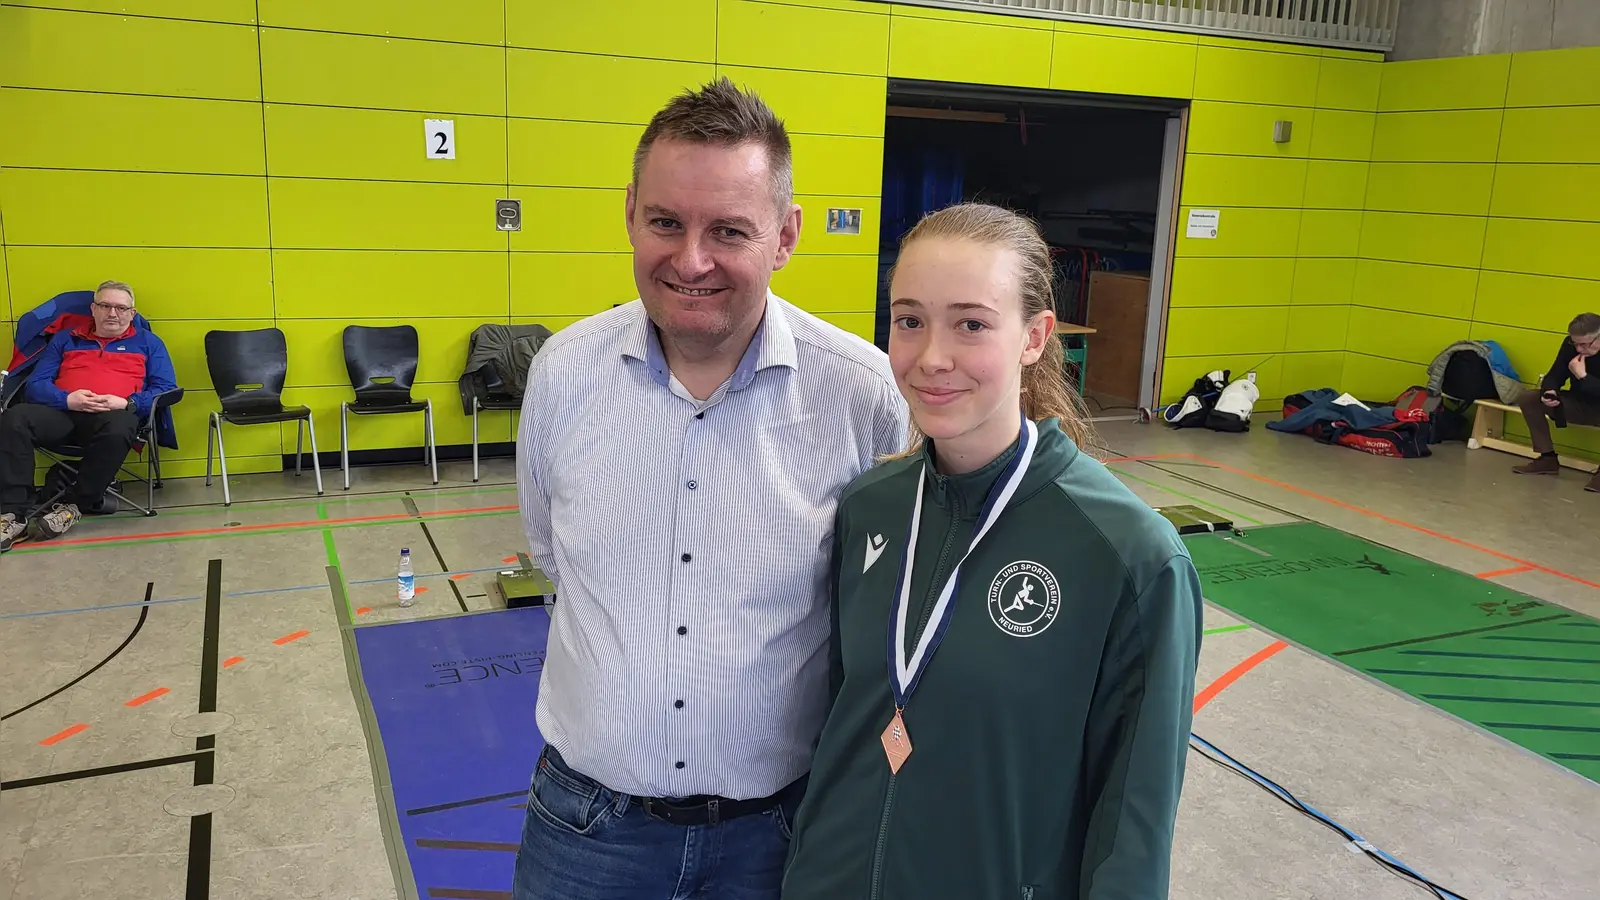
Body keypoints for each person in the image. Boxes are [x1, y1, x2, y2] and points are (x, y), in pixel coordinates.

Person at [511, 78, 908, 900]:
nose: (691, 260)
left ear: (786, 235)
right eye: (666, 222)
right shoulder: (561, 377)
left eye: (729, 230)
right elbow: (552, 551)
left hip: (783, 833)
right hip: (587, 830)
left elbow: (886, 605)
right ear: (630, 213)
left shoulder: (865, 393)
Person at [780, 203, 1203, 900]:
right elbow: (838, 723)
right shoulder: (869, 508)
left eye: (971, 324)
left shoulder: (1129, 556)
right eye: (910, 320)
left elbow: (1133, 828)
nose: (931, 357)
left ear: (1034, 337)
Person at [0, 281, 176, 551]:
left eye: (120, 308)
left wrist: (126, 402)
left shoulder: (148, 342)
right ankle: (13, 514)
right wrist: (67, 399)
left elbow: (166, 388)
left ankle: (73, 505)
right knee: (15, 418)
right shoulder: (66, 338)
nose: (112, 313)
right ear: (93, 309)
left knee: (121, 424)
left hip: (112, 419)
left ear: (132, 313)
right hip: (62, 415)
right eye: (105, 306)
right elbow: (36, 385)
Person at [1512, 312, 1600, 492]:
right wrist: (1550, 391)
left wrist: (1583, 376)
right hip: (1579, 402)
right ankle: (1547, 458)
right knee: (1529, 398)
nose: (1579, 349)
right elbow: (1554, 375)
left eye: (1585, 344)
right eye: (1575, 343)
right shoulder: (1571, 346)